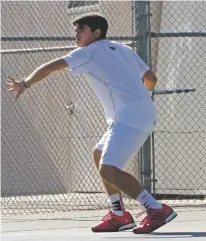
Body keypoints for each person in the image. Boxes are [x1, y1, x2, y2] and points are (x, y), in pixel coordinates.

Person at [6, 13, 177, 234]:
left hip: (129, 118)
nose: (76, 34)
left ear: (96, 33)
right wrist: (140, 98)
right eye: (76, 29)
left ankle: (155, 208)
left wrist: (24, 83)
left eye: (82, 29)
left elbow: (50, 67)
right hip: (138, 114)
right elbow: (151, 78)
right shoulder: (124, 49)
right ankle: (118, 214)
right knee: (99, 153)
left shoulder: (87, 53)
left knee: (109, 168)